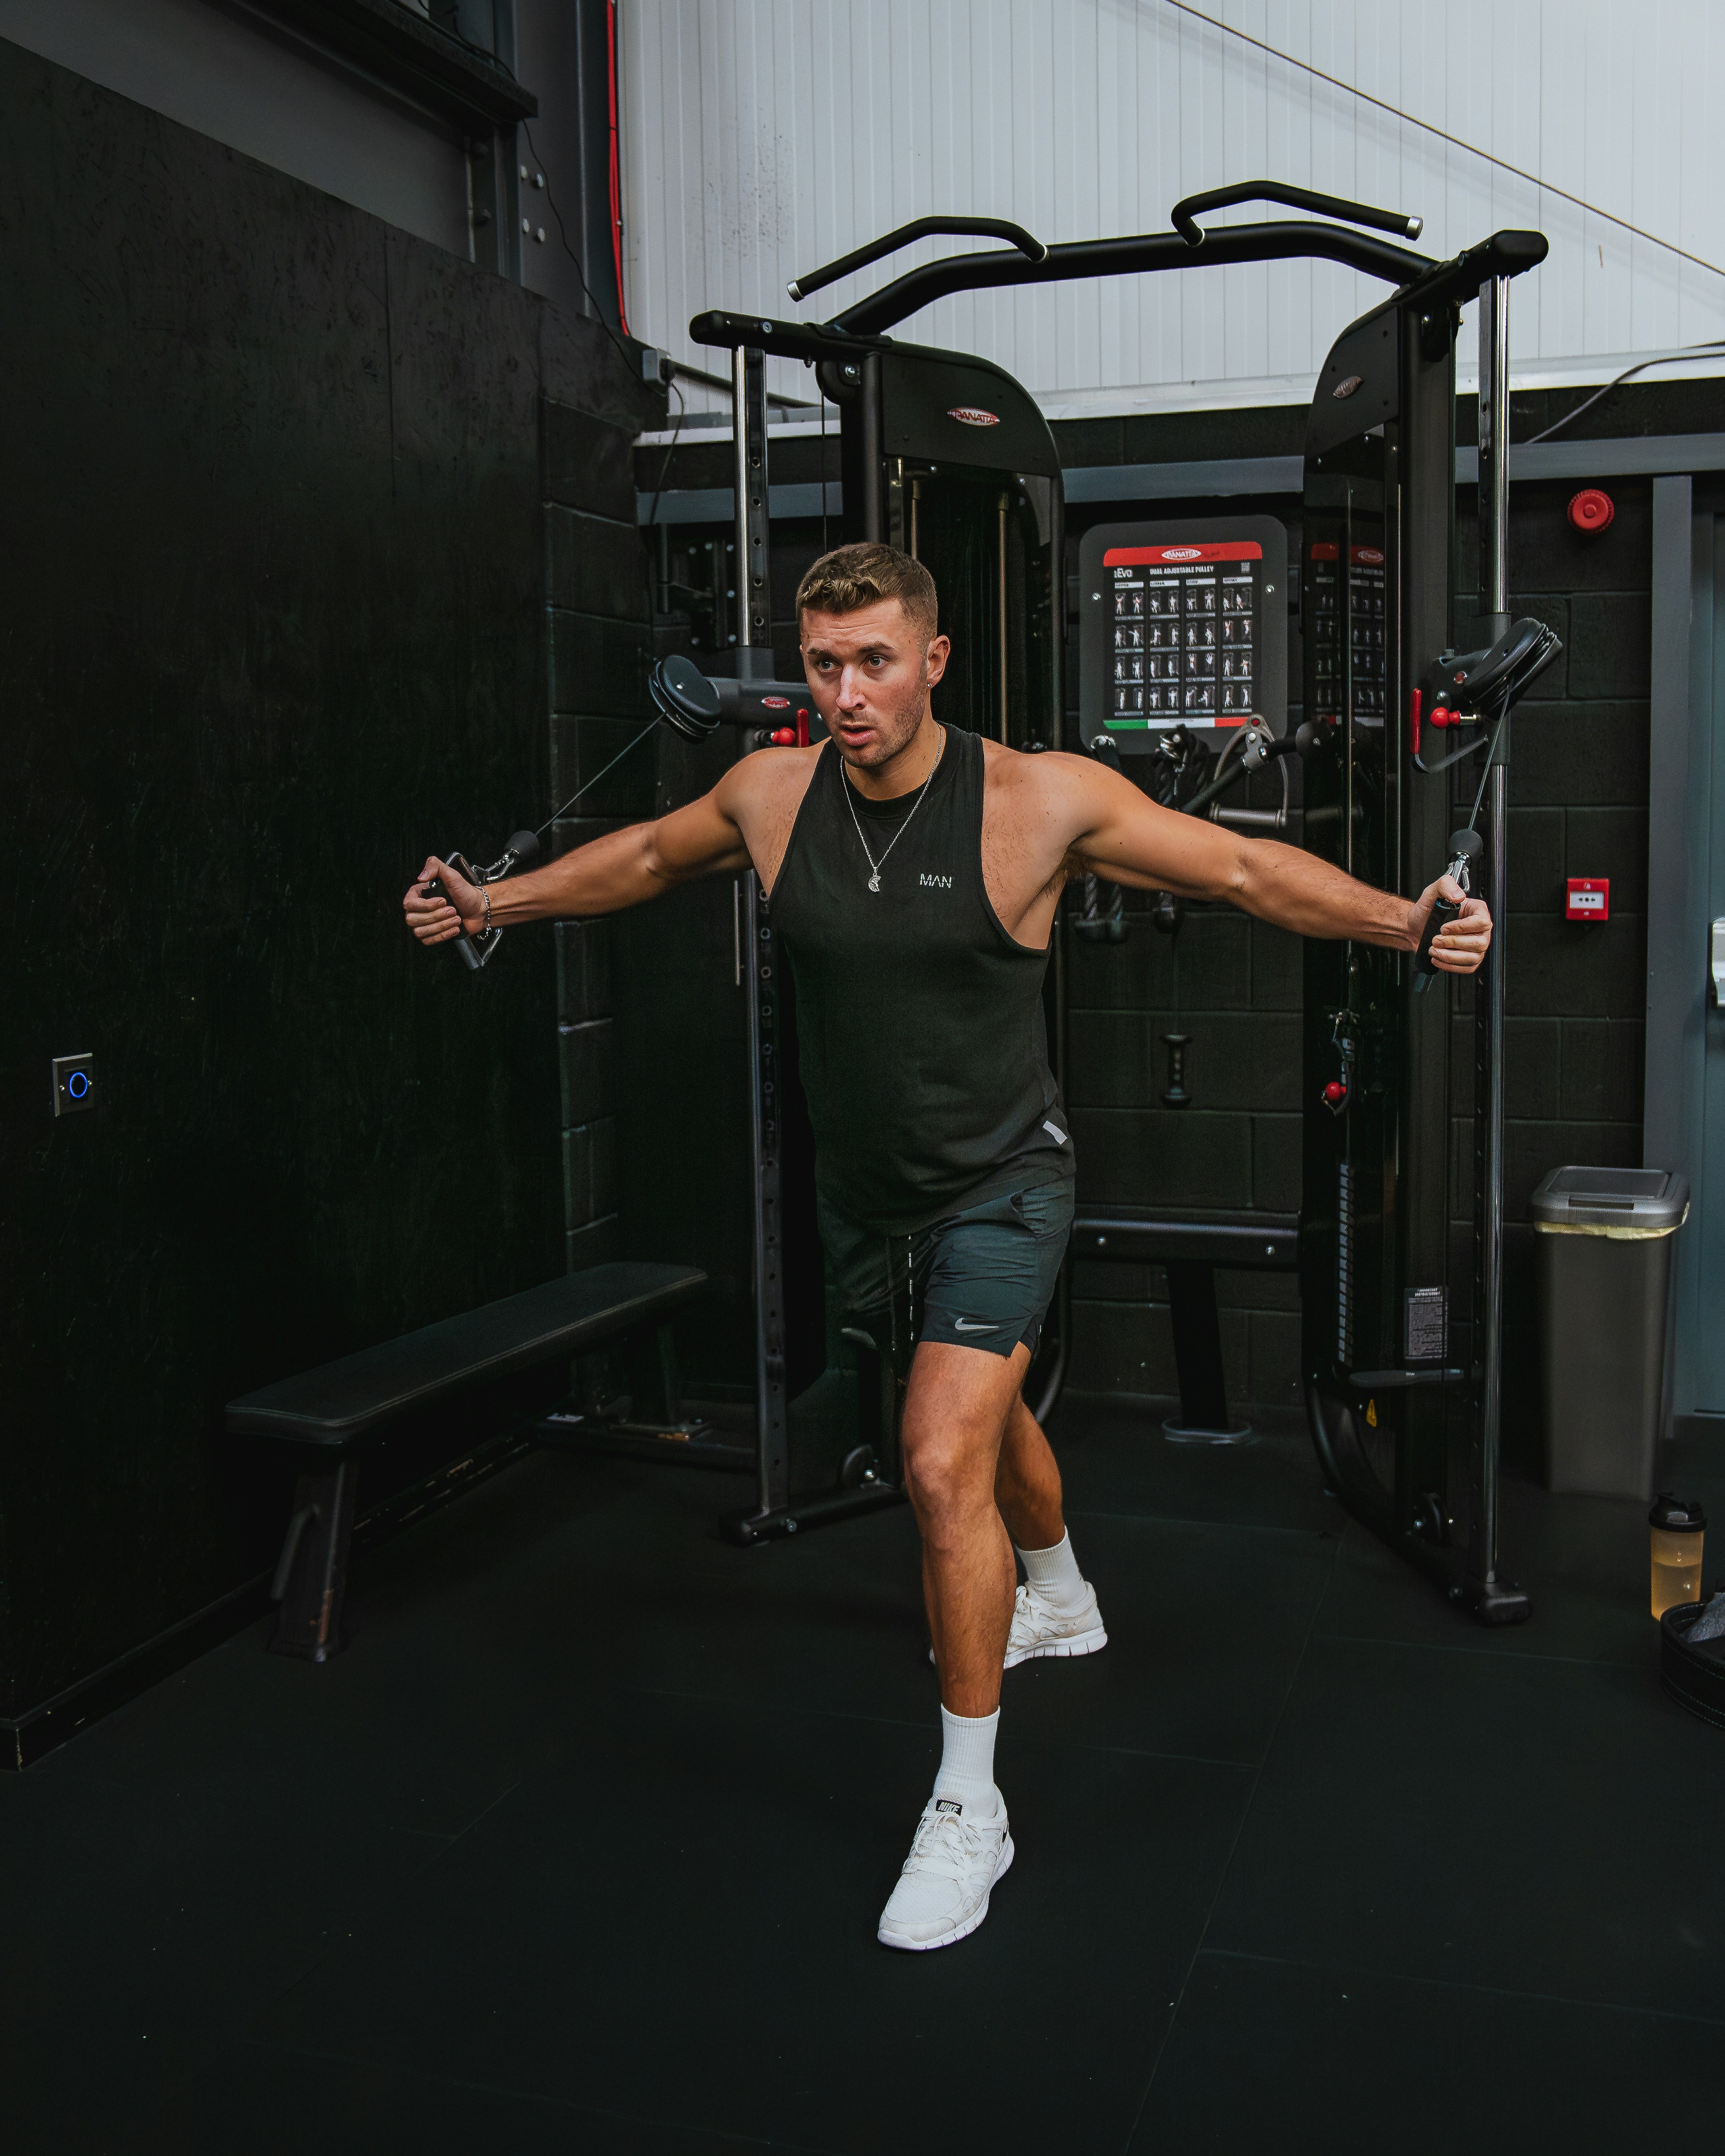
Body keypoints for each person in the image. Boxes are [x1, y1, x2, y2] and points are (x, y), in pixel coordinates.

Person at [403, 542, 1492, 1954]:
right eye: (821, 665)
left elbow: (1237, 865)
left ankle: (969, 1807)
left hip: (1002, 1184)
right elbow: (648, 857)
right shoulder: (769, 793)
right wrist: (499, 902)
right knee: (964, 1431)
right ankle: (1061, 1597)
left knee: (930, 1458)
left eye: (871, 661)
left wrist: (1404, 923)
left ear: (933, 659)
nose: (845, 693)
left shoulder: (1038, 800)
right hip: (864, 1191)